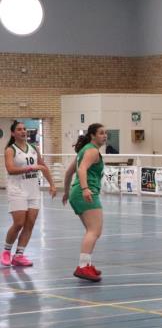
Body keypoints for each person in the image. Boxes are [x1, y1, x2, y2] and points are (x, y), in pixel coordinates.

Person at [3, 121, 57, 267]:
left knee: (30, 223)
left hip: (33, 190)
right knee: (19, 223)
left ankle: (19, 255)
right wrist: (31, 167)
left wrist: (52, 184)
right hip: (17, 190)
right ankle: (7, 251)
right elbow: (10, 169)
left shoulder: (33, 148)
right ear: (13, 133)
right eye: (19, 129)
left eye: (24, 129)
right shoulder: (10, 150)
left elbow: (43, 167)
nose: (23, 131)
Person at [62, 123, 108, 282]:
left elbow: (69, 172)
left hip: (78, 192)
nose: (105, 136)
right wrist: (85, 188)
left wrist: (67, 191)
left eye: (105, 133)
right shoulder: (92, 151)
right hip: (86, 192)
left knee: (93, 230)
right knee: (94, 231)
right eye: (101, 133)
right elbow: (81, 170)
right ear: (93, 135)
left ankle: (86, 264)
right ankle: (82, 267)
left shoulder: (84, 150)